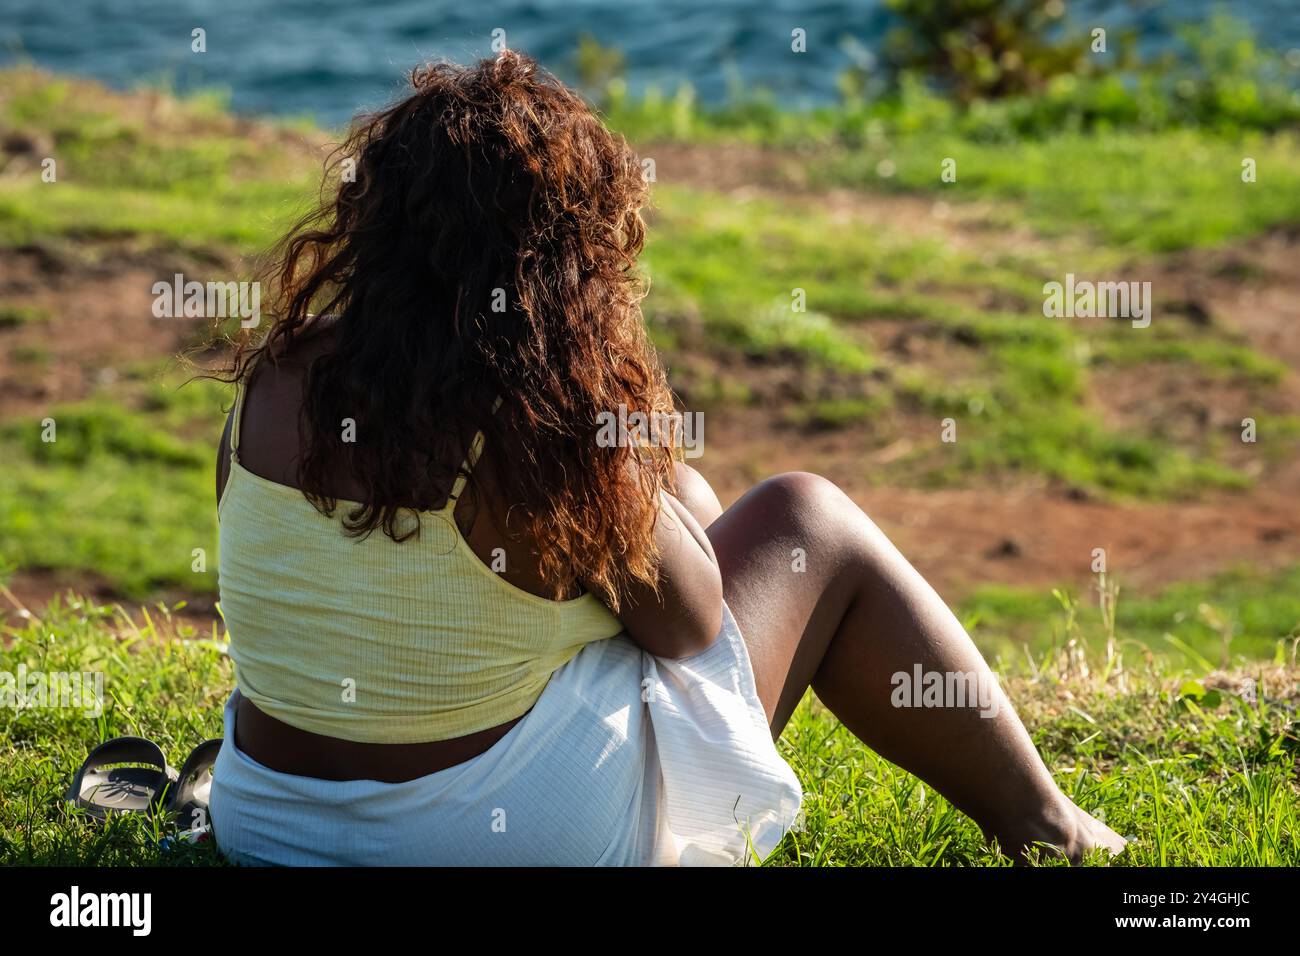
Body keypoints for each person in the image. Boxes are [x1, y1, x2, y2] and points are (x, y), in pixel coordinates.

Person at [207, 50, 1125, 866]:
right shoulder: (532, 421)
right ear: (555, 267)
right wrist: (616, 424)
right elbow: (691, 629)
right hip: (489, 836)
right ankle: (1048, 827)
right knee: (810, 519)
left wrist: (649, 488)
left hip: (274, 824)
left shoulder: (272, 380)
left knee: (669, 496)